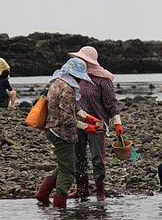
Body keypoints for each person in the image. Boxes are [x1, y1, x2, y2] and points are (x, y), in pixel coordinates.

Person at [35, 58, 102, 208]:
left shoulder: (57, 82)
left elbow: (72, 107)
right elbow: (66, 118)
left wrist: (87, 116)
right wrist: (86, 127)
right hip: (61, 132)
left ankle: (42, 194)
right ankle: (60, 205)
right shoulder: (68, 89)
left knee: (65, 164)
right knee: (68, 171)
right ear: (75, 75)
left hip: (52, 129)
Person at [67, 46, 124, 201]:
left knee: (97, 158)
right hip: (78, 123)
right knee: (78, 158)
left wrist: (117, 123)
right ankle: (82, 190)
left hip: (97, 124)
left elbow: (111, 104)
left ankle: (100, 192)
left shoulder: (102, 80)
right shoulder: (76, 78)